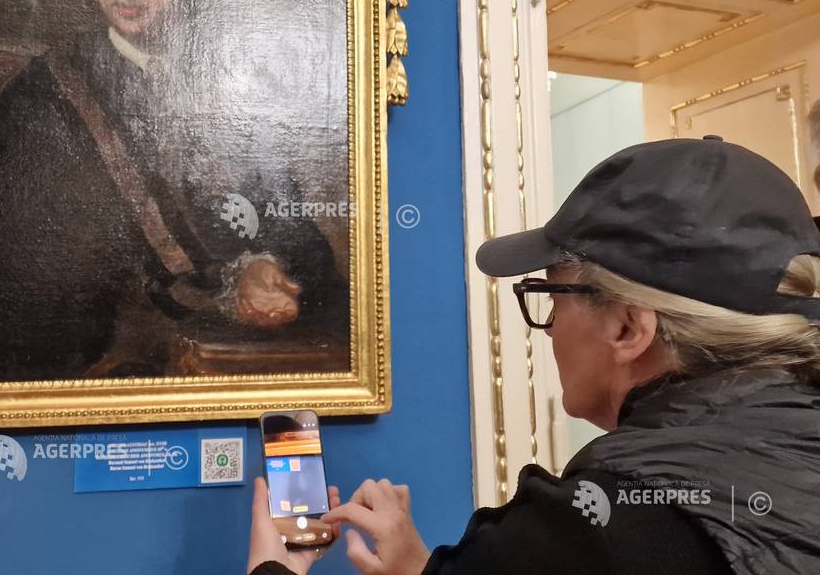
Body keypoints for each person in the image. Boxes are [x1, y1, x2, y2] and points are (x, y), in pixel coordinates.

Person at [247, 137, 820, 575]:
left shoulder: (591, 529)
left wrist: (273, 567)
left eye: (552, 297)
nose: (548, 331)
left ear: (628, 327)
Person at [0, 0, 348, 382]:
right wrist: (228, 289)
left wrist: (267, 266)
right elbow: (46, 286)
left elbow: (295, 230)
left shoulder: (231, 82)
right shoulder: (41, 100)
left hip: (228, 367)